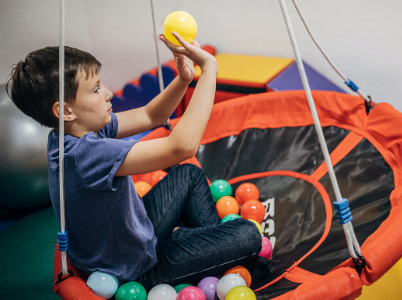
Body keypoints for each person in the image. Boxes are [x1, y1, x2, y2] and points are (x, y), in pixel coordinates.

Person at [7, 32, 269, 291]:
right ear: (65, 111)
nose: (108, 93)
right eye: (96, 89)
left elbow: (149, 114)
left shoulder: (70, 133)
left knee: (188, 174)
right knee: (249, 234)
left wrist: (183, 80)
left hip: (134, 235)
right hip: (136, 269)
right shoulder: (85, 155)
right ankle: (208, 252)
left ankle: (207, 250)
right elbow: (182, 146)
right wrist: (209, 68)